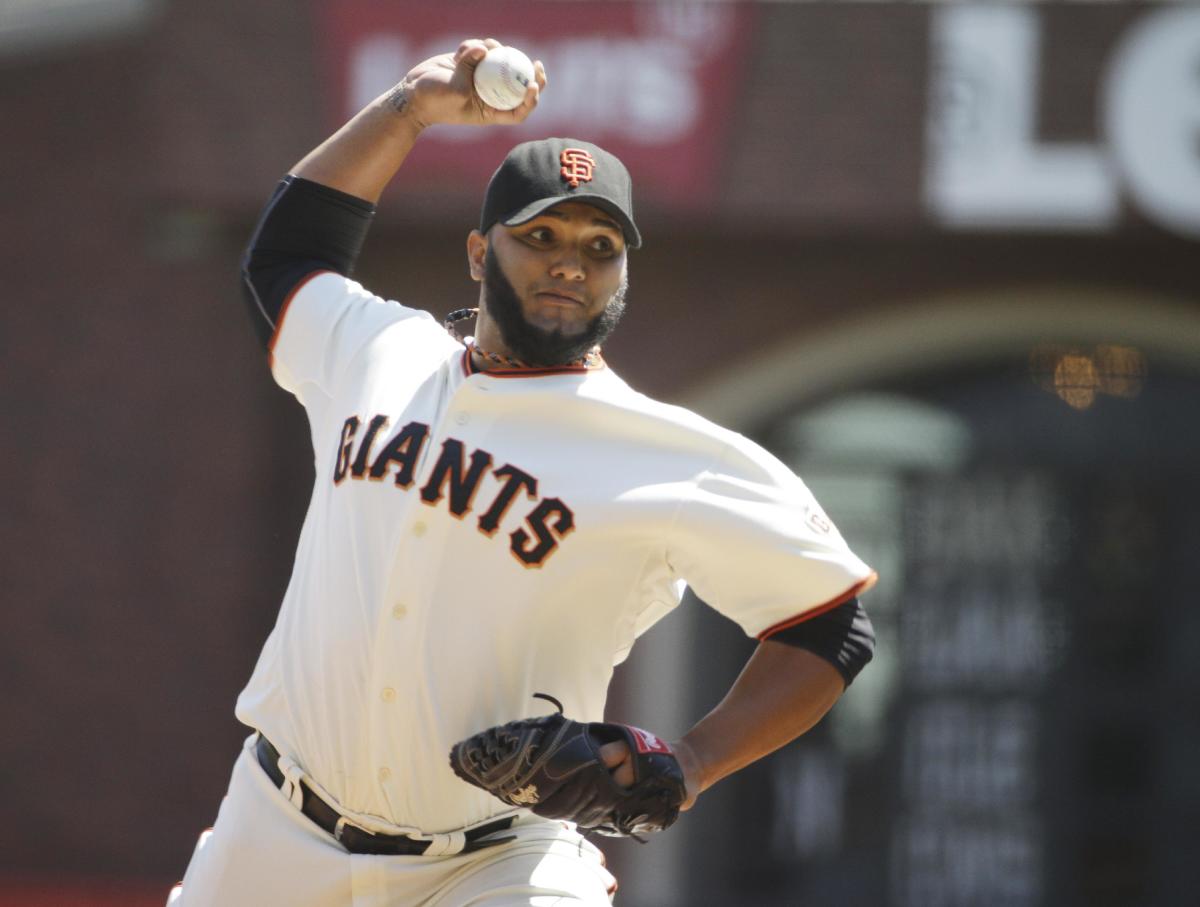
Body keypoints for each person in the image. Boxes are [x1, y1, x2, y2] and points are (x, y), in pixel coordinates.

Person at [170, 38, 877, 906]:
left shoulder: (667, 454)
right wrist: (411, 108)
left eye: (601, 244)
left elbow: (829, 627)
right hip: (276, 833)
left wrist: (689, 763)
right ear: (478, 252)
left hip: (497, 864)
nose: (569, 261)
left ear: (623, 273)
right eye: (539, 235)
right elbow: (286, 256)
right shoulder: (381, 352)